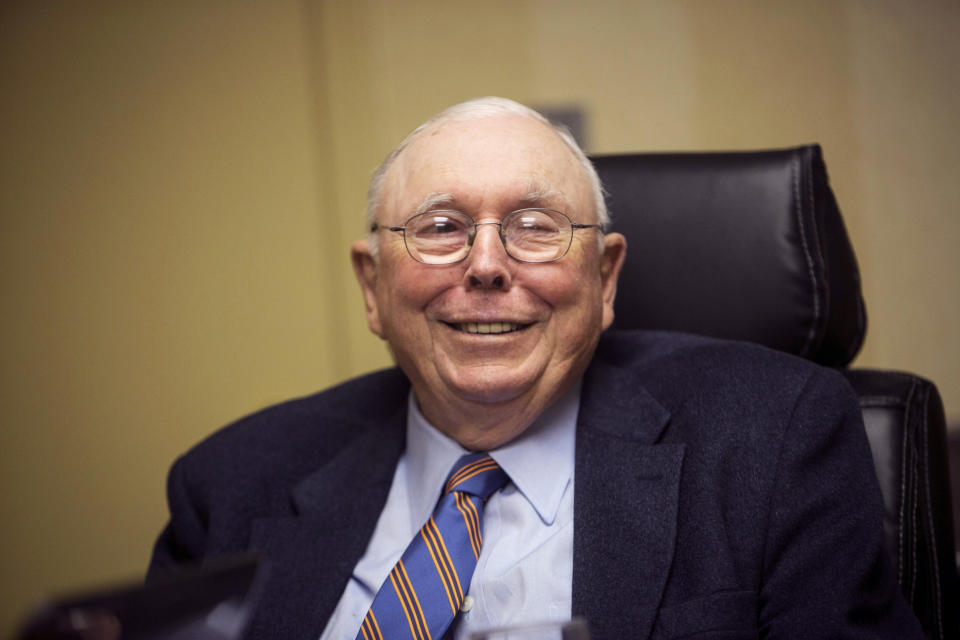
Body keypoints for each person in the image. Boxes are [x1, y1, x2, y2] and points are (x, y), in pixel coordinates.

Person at [149, 97, 924, 639]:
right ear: (372, 286)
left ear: (606, 279)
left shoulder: (775, 439)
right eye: (441, 228)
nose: (487, 266)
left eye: (535, 227)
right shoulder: (227, 485)